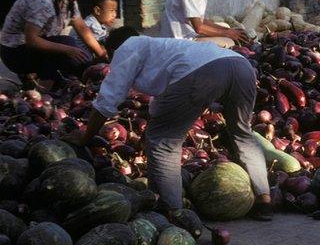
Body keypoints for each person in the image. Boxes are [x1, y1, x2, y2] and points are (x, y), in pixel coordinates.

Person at [65, 27, 273, 220]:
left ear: (112, 49)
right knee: (242, 133)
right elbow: (167, 95)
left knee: (162, 140)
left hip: (203, 73)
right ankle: (264, 199)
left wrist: (84, 138)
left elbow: (106, 102)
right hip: (240, 65)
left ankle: (173, 211)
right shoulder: (161, 46)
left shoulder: (127, 48)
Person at [1, 0, 106, 82]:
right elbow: (32, 40)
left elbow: (82, 29)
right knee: (69, 46)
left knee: (81, 55)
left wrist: (102, 56)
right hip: (15, 51)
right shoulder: (42, 0)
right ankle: (47, 84)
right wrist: (68, 50)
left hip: (37, 45)